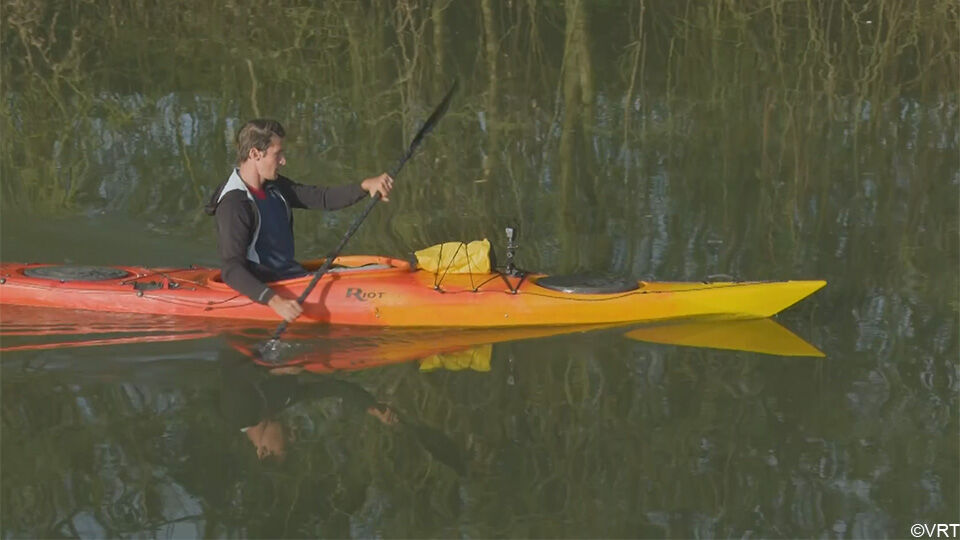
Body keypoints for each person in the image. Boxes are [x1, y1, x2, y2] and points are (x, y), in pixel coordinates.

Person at [205, 119, 393, 322]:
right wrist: (275, 301)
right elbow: (232, 269)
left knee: (384, 271)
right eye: (278, 154)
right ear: (254, 154)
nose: (284, 161)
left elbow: (321, 198)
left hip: (293, 277)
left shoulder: (274, 185)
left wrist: (365, 186)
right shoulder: (235, 204)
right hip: (272, 290)